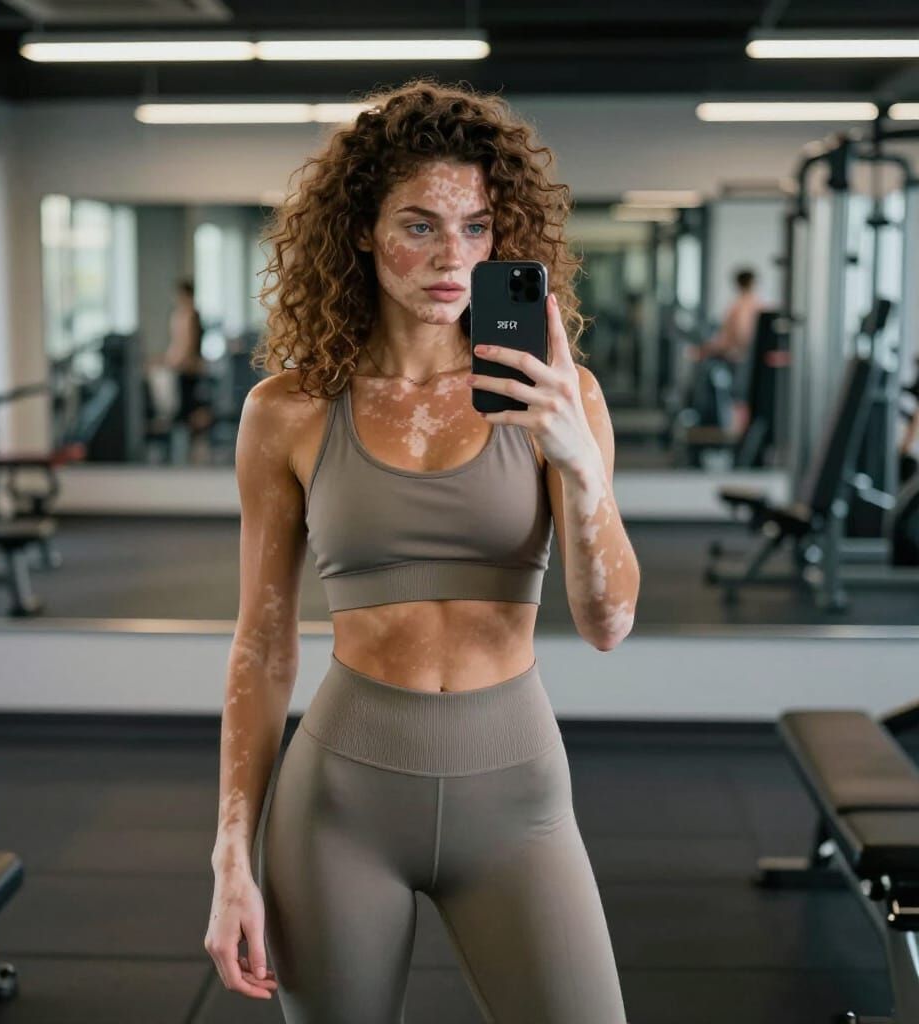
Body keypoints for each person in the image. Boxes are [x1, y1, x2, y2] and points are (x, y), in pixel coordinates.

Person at [203, 80, 640, 1024]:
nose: (453, 257)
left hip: (516, 791)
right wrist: (231, 850)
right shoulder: (288, 410)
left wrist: (576, 460)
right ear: (360, 230)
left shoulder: (563, 396)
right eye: (420, 226)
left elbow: (609, 623)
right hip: (341, 802)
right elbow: (262, 646)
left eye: (478, 228)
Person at [697, 267, 766, 434]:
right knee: (746, 399)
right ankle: (742, 435)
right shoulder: (759, 305)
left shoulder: (738, 307)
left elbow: (738, 336)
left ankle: (737, 435)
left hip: (739, 360)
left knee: (738, 400)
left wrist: (708, 349)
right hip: (751, 360)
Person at [163, 278, 210, 433]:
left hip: (189, 367)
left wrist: (182, 360)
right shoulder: (178, 315)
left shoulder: (192, 315)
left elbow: (190, 342)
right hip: (179, 365)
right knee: (182, 408)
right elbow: (176, 341)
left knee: (191, 409)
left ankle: (195, 444)